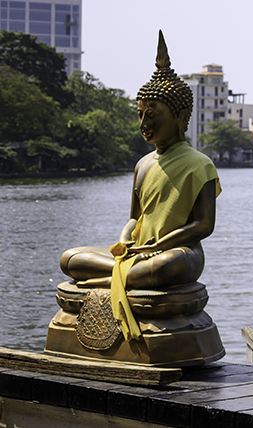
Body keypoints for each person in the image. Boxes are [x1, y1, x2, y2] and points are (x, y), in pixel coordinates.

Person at [58, 30, 219, 340]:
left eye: (154, 116)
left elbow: (204, 224)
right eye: (141, 115)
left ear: (181, 117)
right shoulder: (143, 164)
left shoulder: (201, 164)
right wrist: (125, 237)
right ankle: (118, 275)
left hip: (178, 253)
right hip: (138, 253)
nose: (145, 125)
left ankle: (110, 277)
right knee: (71, 258)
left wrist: (161, 245)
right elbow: (135, 217)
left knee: (165, 268)